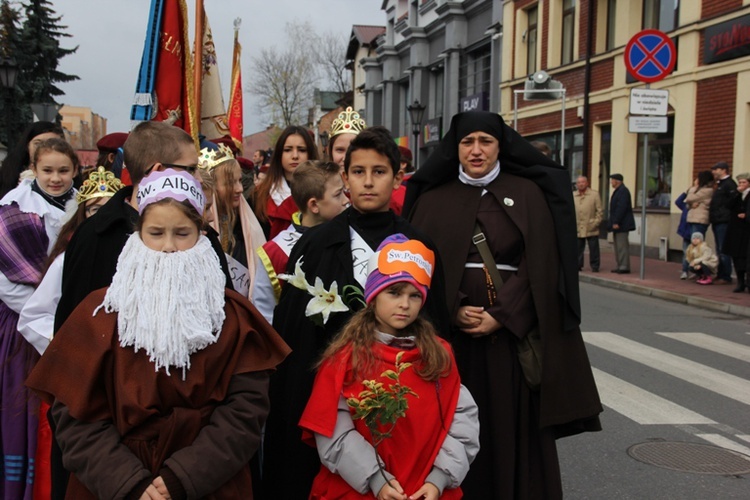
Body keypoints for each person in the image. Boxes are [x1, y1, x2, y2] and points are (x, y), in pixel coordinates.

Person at [26, 169, 290, 499]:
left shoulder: (233, 318)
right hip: (113, 486)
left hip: (207, 483)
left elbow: (244, 414)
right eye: (155, 232)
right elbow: (74, 418)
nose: (168, 247)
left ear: (201, 235)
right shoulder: (97, 315)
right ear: (137, 236)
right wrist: (128, 482)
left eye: (182, 233)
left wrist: (182, 477)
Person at [404, 110, 602, 500]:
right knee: (449, 421)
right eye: (467, 142)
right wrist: (452, 307)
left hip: (509, 338)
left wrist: (503, 314)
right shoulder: (432, 199)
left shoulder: (527, 193)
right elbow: (418, 264)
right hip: (452, 340)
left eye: (486, 141)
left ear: (500, 146)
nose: (476, 151)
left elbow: (542, 263)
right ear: (454, 148)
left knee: (509, 426)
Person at [262, 127, 450, 499]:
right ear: (344, 176)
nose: (368, 182)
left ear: (397, 178)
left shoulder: (418, 245)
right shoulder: (315, 245)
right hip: (331, 404)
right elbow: (294, 338)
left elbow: (435, 327)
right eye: (359, 172)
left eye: (379, 172)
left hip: (399, 400)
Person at [299, 234, 480, 500]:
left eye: (415, 295)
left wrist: (439, 479)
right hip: (363, 489)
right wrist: (377, 479)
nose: (404, 305)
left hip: (426, 489)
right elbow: (332, 433)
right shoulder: (344, 359)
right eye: (393, 292)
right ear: (373, 296)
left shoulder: (438, 355)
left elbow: (462, 421)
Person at [0, 137, 78, 500]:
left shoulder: (84, 204)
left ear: (75, 170)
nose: (56, 178)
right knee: (24, 412)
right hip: (24, 328)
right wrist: (44, 315)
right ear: (33, 169)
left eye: (64, 170)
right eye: (47, 170)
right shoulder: (13, 208)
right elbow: (6, 284)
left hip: (70, 323)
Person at [19, 167, 125, 355]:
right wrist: (68, 344)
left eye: (111, 209)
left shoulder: (137, 255)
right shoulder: (67, 259)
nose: (105, 217)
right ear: (83, 215)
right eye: (96, 210)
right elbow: (33, 317)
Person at [252, 160, 349, 324]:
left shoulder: (351, 234)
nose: (346, 200)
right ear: (314, 205)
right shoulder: (275, 252)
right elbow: (264, 314)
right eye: (338, 194)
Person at [199, 143, 266, 298]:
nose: (239, 189)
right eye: (230, 183)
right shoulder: (199, 230)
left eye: (240, 181)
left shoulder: (245, 227)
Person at [254, 126, 319, 239]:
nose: (295, 156)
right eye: (288, 150)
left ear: (310, 154)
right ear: (279, 154)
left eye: (302, 150)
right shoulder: (260, 194)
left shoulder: (323, 191)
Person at [0, 121, 66, 198]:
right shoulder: (8, 173)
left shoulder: (69, 178)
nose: (44, 149)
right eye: (37, 144)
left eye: (52, 143)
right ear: (27, 145)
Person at [709, 161, 737, 284]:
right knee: (719, 249)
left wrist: (724, 213)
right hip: (717, 220)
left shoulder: (729, 184)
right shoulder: (720, 184)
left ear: (724, 170)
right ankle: (721, 274)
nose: (714, 172)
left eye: (716, 169)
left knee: (723, 248)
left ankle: (726, 276)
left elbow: (732, 202)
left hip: (724, 220)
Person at [723, 173, 750, 293]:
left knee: (746, 257)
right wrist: (736, 193)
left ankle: (748, 282)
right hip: (735, 229)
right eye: (740, 182)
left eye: (744, 182)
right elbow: (728, 205)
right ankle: (740, 282)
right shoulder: (737, 194)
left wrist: (746, 215)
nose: (741, 185)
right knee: (736, 257)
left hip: (746, 230)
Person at [574, 175, 602, 272]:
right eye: (579, 183)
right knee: (578, 248)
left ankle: (595, 266)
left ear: (587, 183)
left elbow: (599, 211)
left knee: (594, 248)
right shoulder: (573, 195)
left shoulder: (594, 195)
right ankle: (578, 264)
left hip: (591, 225)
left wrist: (595, 223)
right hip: (578, 226)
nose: (581, 184)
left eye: (583, 182)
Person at [608, 173, 636, 274]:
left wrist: (616, 221)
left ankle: (624, 266)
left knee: (622, 245)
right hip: (619, 224)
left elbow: (621, 207)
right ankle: (620, 264)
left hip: (622, 224)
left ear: (617, 181)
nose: (611, 182)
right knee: (617, 245)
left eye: (612, 180)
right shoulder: (619, 191)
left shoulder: (623, 191)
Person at [674, 190, 692, 280]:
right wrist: (685, 192)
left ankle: (695, 271)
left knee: (696, 252)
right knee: (686, 252)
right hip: (685, 232)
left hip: (694, 232)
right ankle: (685, 270)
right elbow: (677, 202)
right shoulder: (685, 206)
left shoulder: (697, 207)